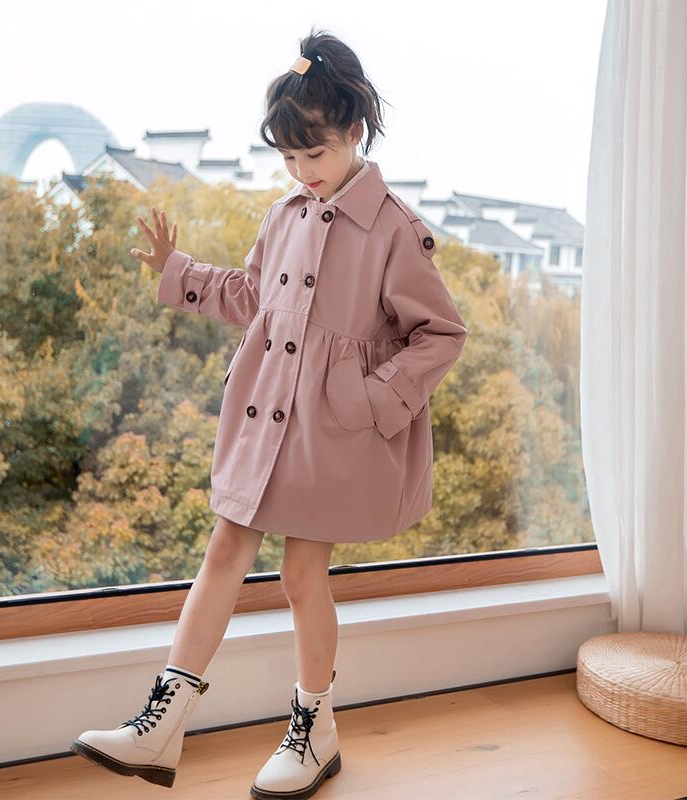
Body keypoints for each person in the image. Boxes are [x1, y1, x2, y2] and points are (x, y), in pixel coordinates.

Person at [70, 26, 468, 800]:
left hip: (331, 435)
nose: (301, 170)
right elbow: (254, 298)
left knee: (299, 575)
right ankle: (161, 725)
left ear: (355, 130)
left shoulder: (392, 228)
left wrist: (372, 399)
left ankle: (314, 730)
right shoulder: (286, 214)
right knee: (223, 551)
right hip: (265, 418)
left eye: (313, 153)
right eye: (288, 157)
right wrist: (179, 272)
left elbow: (441, 334)